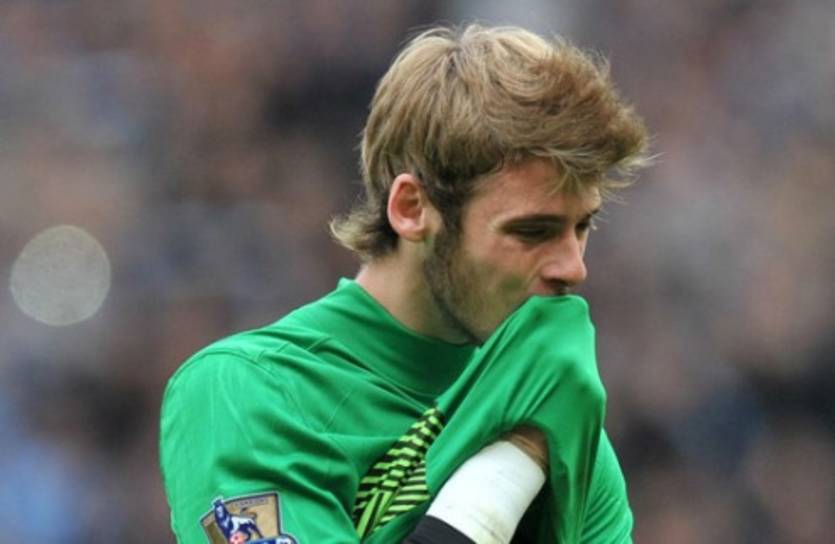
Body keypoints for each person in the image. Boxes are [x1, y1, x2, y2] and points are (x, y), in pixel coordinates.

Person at [160, 23, 649, 544]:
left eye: (582, 227)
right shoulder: (249, 393)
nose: (572, 268)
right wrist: (519, 456)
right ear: (412, 209)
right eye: (532, 231)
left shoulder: (574, 437)